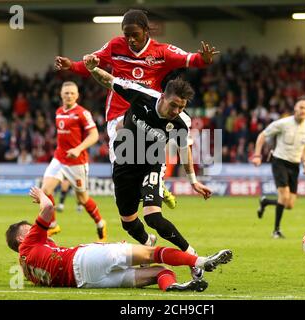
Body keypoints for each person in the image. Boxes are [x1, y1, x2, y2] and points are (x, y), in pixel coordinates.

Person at [55, 9, 219, 210]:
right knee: (121, 163)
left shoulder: (161, 52)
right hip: (117, 111)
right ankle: (152, 188)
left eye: (135, 34)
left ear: (145, 31)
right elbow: (90, 64)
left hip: (147, 112)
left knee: (145, 156)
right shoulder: (115, 46)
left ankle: (154, 185)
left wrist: (205, 59)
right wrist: (71, 65)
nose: (130, 39)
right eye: (127, 35)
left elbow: (190, 59)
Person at [83, 54, 213, 281]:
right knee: (129, 224)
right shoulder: (141, 95)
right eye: (173, 105)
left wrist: (193, 180)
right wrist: (93, 69)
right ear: (163, 97)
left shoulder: (182, 122)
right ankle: (148, 243)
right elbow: (109, 80)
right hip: (124, 162)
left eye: (181, 107)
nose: (176, 111)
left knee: (153, 217)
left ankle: (193, 258)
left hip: (151, 164)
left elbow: (184, 149)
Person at [5, 187, 233, 291]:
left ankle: (173, 286)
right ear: (22, 237)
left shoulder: (26, 269)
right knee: (152, 253)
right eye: (30, 227)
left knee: (158, 272)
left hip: (87, 282)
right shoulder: (30, 241)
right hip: (84, 260)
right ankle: (200, 261)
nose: (35, 228)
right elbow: (48, 209)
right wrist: (42, 195)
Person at [41, 81, 106, 240]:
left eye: (72, 93)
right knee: (45, 191)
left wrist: (78, 149)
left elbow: (94, 135)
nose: (69, 95)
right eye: (66, 93)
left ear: (77, 95)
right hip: (59, 158)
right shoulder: (58, 112)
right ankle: (53, 225)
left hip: (77, 163)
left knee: (82, 199)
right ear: (61, 95)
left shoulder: (82, 113)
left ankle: (100, 222)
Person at [251, 97, 305, 239]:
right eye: (301, 107)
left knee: (290, 204)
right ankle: (276, 231)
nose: (303, 110)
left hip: (295, 164)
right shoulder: (283, 123)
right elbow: (262, 135)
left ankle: (265, 201)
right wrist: (257, 155)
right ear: (295, 108)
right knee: (284, 196)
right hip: (280, 161)